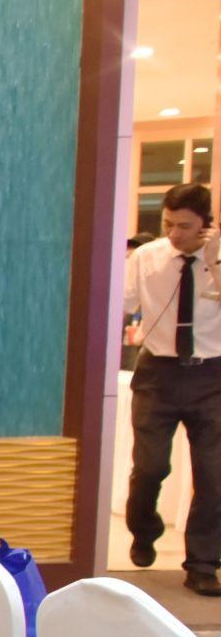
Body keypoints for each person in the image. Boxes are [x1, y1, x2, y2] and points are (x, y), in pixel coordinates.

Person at [122, 182, 221, 594]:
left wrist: (214, 262)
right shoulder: (147, 257)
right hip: (157, 373)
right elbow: (122, 304)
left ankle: (202, 564)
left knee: (214, 475)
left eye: (185, 226)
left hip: (212, 374)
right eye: (168, 224)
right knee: (150, 467)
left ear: (206, 225)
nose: (175, 234)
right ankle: (144, 530)